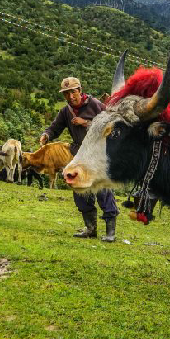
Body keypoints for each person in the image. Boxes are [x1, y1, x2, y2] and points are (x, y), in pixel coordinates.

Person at [40, 76, 118, 242]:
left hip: (98, 155)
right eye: (66, 94)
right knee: (79, 190)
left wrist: (86, 123)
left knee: (102, 190)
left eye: (73, 92)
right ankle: (90, 229)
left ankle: (110, 232)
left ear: (80, 91)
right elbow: (55, 127)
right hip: (79, 156)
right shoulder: (65, 111)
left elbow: (111, 125)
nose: (70, 97)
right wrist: (46, 135)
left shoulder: (95, 105)